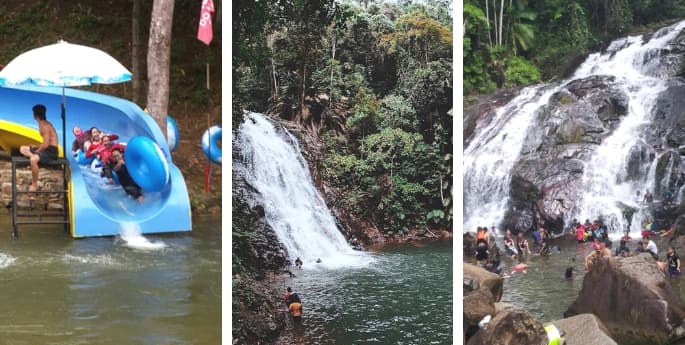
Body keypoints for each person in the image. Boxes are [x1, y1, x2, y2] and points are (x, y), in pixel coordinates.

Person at [19, 104, 59, 192]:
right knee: (22, 148)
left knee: (33, 159)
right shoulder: (42, 123)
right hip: (47, 149)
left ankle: (34, 184)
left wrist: (37, 151)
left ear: (35, 115)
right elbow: (45, 143)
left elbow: (46, 144)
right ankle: (36, 158)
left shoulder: (44, 125)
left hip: (51, 152)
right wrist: (36, 147)